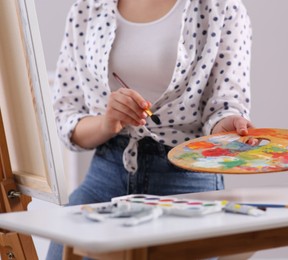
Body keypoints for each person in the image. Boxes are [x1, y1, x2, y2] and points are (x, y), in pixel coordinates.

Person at [47, 0, 253, 258]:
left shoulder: (222, 8)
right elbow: (67, 118)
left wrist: (229, 128)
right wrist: (106, 122)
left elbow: (224, 108)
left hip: (187, 184)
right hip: (105, 178)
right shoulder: (87, 8)